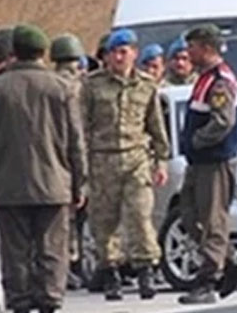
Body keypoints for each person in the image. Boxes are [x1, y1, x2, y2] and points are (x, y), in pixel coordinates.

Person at [0, 24, 87, 313]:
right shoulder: (62, 88)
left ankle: (20, 303)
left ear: (14, 52)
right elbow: (76, 142)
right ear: (43, 52)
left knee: (16, 253)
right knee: (52, 250)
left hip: (9, 187)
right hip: (54, 186)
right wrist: (79, 184)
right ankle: (49, 301)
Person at [82, 29, 170, 300]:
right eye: (113, 53)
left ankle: (145, 271)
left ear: (134, 53)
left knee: (141, 216)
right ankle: (111, 273)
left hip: (136, 159)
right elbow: (82, 126)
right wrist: (82, 166)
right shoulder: (92, 85)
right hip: (102, 159)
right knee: (104, 221)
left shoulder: (146, 85)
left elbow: (155, 126)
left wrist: (161, 161)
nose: (118, 57)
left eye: (124, 52)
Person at [177, 24, 237, 305]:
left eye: (192, 46)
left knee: (212, 221)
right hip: (200, 162)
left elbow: (223, 121)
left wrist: (196, 140)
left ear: (206, 47)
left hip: (215, 162)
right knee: (188, 214)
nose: (188, 52)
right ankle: (230, 265)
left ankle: (208, 280)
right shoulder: (204, 79)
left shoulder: (220, 81)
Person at [49, 33, 90, 290]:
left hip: (57, 157)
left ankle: (67, 267)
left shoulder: (51, 84)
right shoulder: (85, 85)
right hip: (84, 154)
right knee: (83, 215)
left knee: (65, 220)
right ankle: (78, 266)